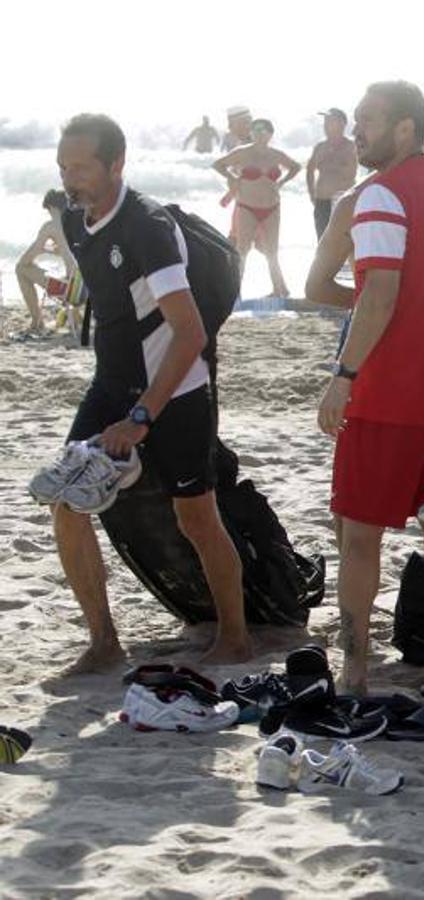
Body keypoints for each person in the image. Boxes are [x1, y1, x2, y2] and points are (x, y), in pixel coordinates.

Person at [51, 113, 251, 672]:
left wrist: (142, 417)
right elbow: (110, 300)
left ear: (117, 164)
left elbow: (189, 332)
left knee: (197, 518)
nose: (72, 178)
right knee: (67, 501)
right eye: (64, 166)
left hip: (179, 385)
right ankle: (103, 641)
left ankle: (235, 637)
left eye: (83, 167)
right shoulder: (73, 218)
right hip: (111, 383)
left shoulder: (148, 226)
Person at [316, 81, 424, 703]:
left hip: (388, 395)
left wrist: (345, 374)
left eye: (368, 121)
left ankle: (355, 673)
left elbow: (379, 294)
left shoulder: (381, 194)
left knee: (360, 536)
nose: (356, 131)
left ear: (406, 129)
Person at [213, 119, 301, 298]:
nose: (260, 133)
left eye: (264, 130)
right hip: (247, 207)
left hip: (272, 207)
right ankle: (235, 292)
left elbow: (296, 167)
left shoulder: (276, 154)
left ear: (270, 134)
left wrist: (282, 181)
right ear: (251, 133)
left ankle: (279, 290)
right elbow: (218, 164)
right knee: (242, 250)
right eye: (256, 130)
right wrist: (232, 177)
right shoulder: (242, 153)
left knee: (272, 251)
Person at [14, 190, 77, 334]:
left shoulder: (51, 225)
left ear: (52, 207)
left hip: (70, 293)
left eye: (49, 210)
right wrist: (46, 251)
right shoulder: (78, 224)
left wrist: (39, 249)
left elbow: (25, 260)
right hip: (86, 291)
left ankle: (37, 321)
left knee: (21, 269)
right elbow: (69, 254)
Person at [307, 108, 359, 239]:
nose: (325, 124)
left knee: (346, 244)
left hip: (344, 203)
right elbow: (309, 170)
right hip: (322, 201)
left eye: (330, 121)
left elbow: (374, 167)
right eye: (325, 121)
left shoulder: (352, 147)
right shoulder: (320, 147)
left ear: (342, 124)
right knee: (323, 243)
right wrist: (312, 194)